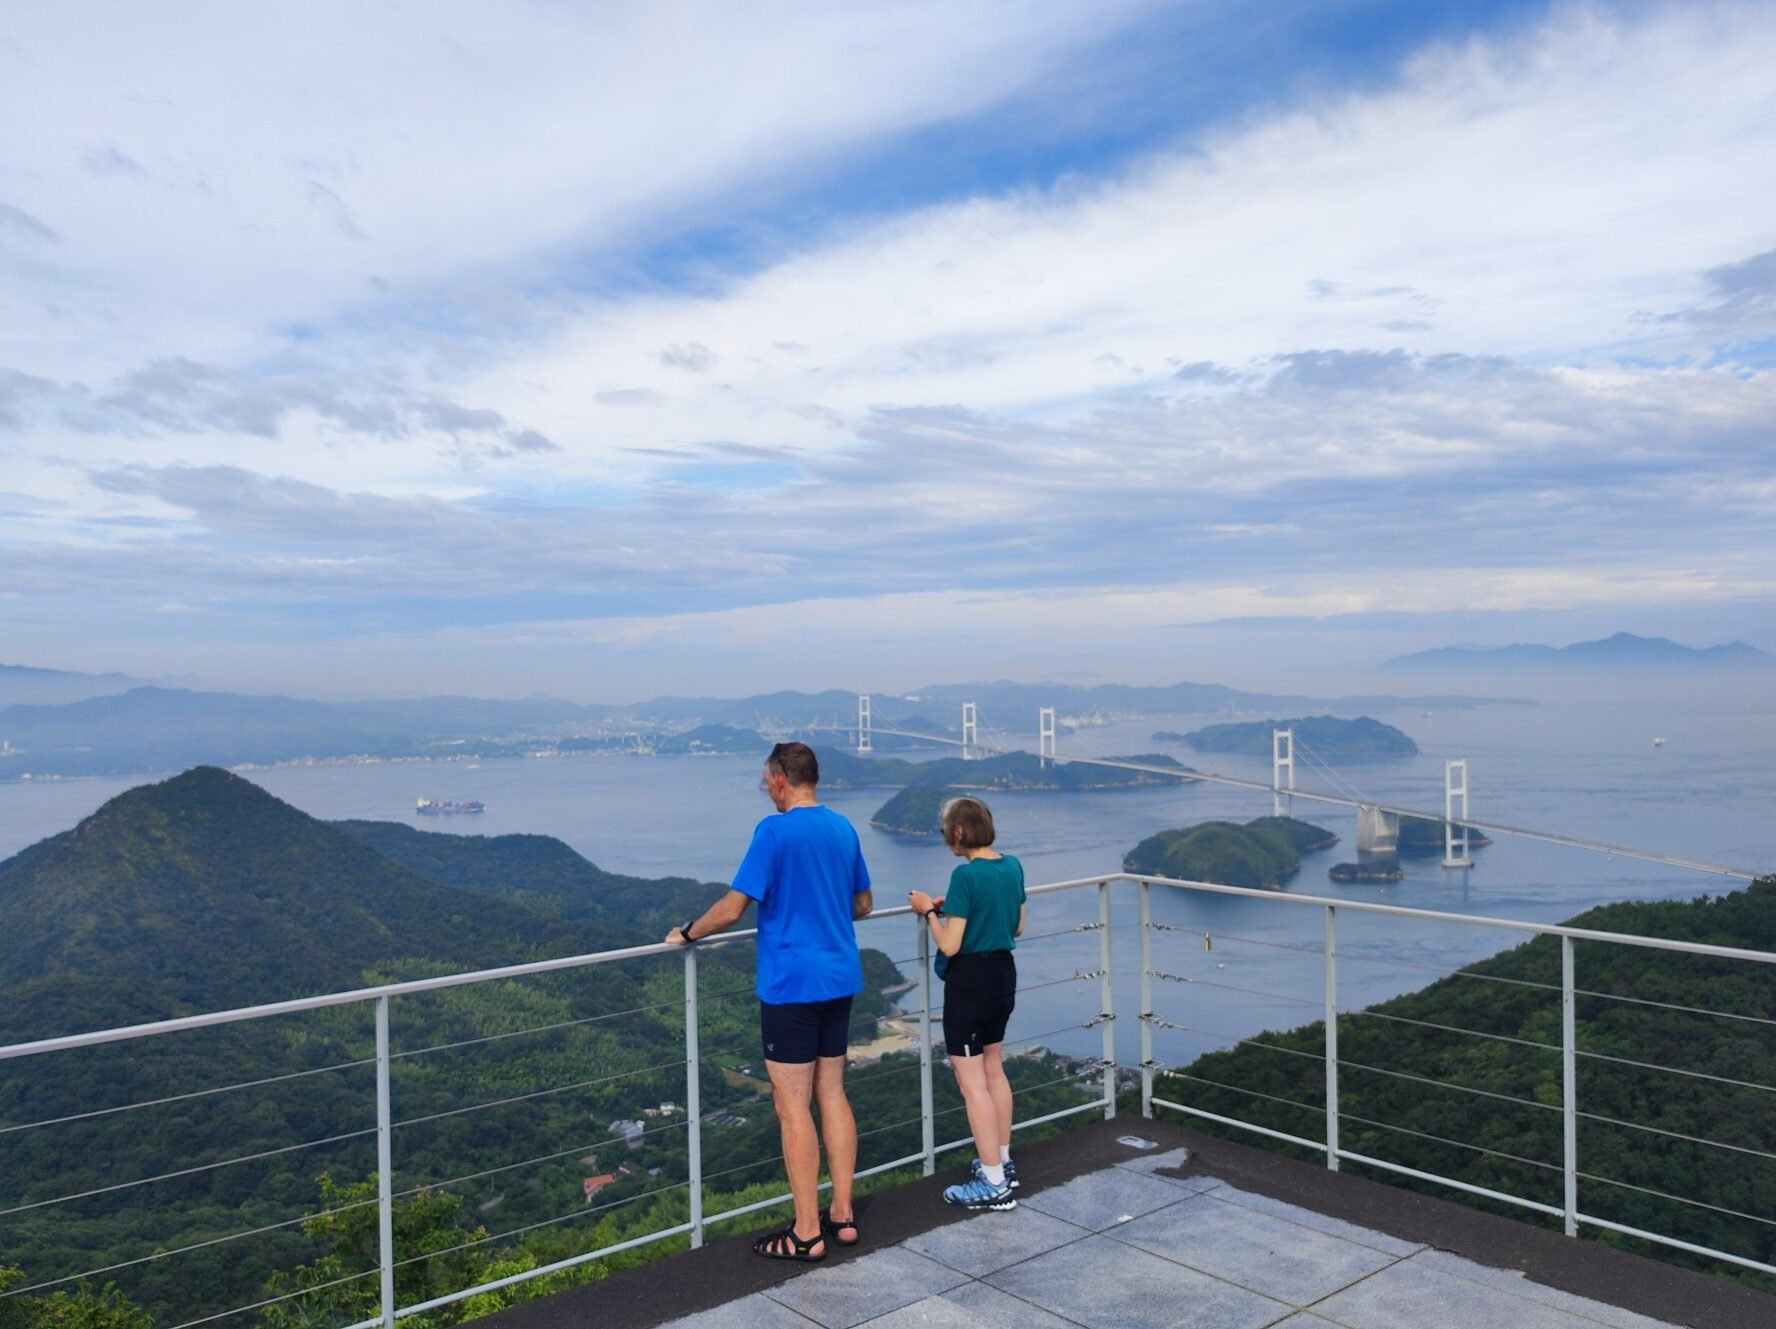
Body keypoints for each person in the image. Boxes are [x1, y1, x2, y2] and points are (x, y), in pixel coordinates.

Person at [666, 741, 873, 1261]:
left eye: (766, 781)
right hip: (839, 976)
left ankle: (807, 1232)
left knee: (791, 1106)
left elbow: (733, 910)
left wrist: (688, 934)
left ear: (781, 779)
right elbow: (863, 904)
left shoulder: (773, 832)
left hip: (791, 985)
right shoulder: (843, 827)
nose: (766, 789)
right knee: (833, 1095)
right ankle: (842, 1215)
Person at [907, 795, 1025, 1211]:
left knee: (970, 1080)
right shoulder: (1012, 866)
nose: (944, 837)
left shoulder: (965, 876)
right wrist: (956, 908)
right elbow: (1019, 924)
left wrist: (928, 913)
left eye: (945, 829)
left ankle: (993, 1184)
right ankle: (1002, 1162)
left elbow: (951, 945)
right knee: (993, 1069)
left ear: (957, 831)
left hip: (970, 984)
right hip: (1003, 976)